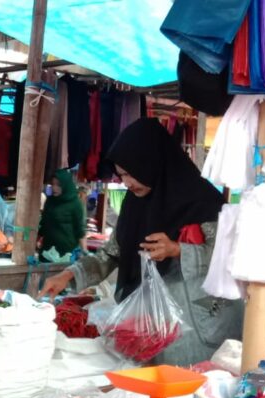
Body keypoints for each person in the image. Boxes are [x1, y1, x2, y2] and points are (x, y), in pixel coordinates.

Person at [39, 118, 242, 366]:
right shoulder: (135, 204)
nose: (126, 183)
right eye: (121, 175)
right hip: (152, 324)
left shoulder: (204, 202)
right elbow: (111, 254)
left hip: (202, 322)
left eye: (130, 174)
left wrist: (177, 250)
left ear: (150, 163)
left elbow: (229, 255)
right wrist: (69, 275)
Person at [38, 167, 87, 261]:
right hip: (47, 252)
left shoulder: (75, 203)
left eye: (58, 185)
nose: (54, 188)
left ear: (66, 185)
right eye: (52, 184)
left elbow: (80, 229)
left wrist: (84, 252)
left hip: (67, 254)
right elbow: (43, 224)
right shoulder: (50, 201)